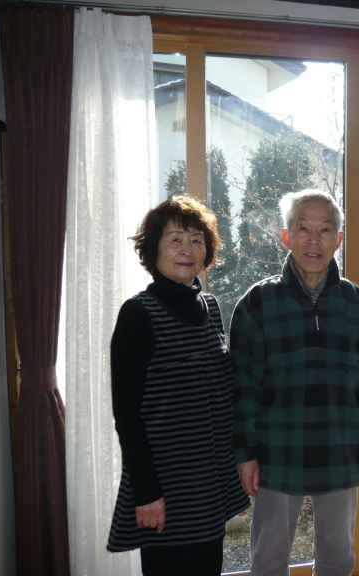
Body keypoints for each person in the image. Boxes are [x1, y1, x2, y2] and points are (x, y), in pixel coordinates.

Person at [230, 189, 359, 576]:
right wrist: (245, 453)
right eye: (303, 228)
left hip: (341, 449)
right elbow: (241, 388)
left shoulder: (357, 304)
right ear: (286, 237)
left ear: (339, 239)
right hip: (275, 454)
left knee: (337, 558)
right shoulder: (257, 303)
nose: (314, 240)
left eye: (325, 230)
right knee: (268, 558)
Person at [107, 195, 249, 576]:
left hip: (209, 488)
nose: (187, 250)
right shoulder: (138, 314)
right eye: (175, 240)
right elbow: (127, 415)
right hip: (166, 492)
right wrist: (147, 492)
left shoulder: (211, 308)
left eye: (196, 240)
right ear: (153, 250)